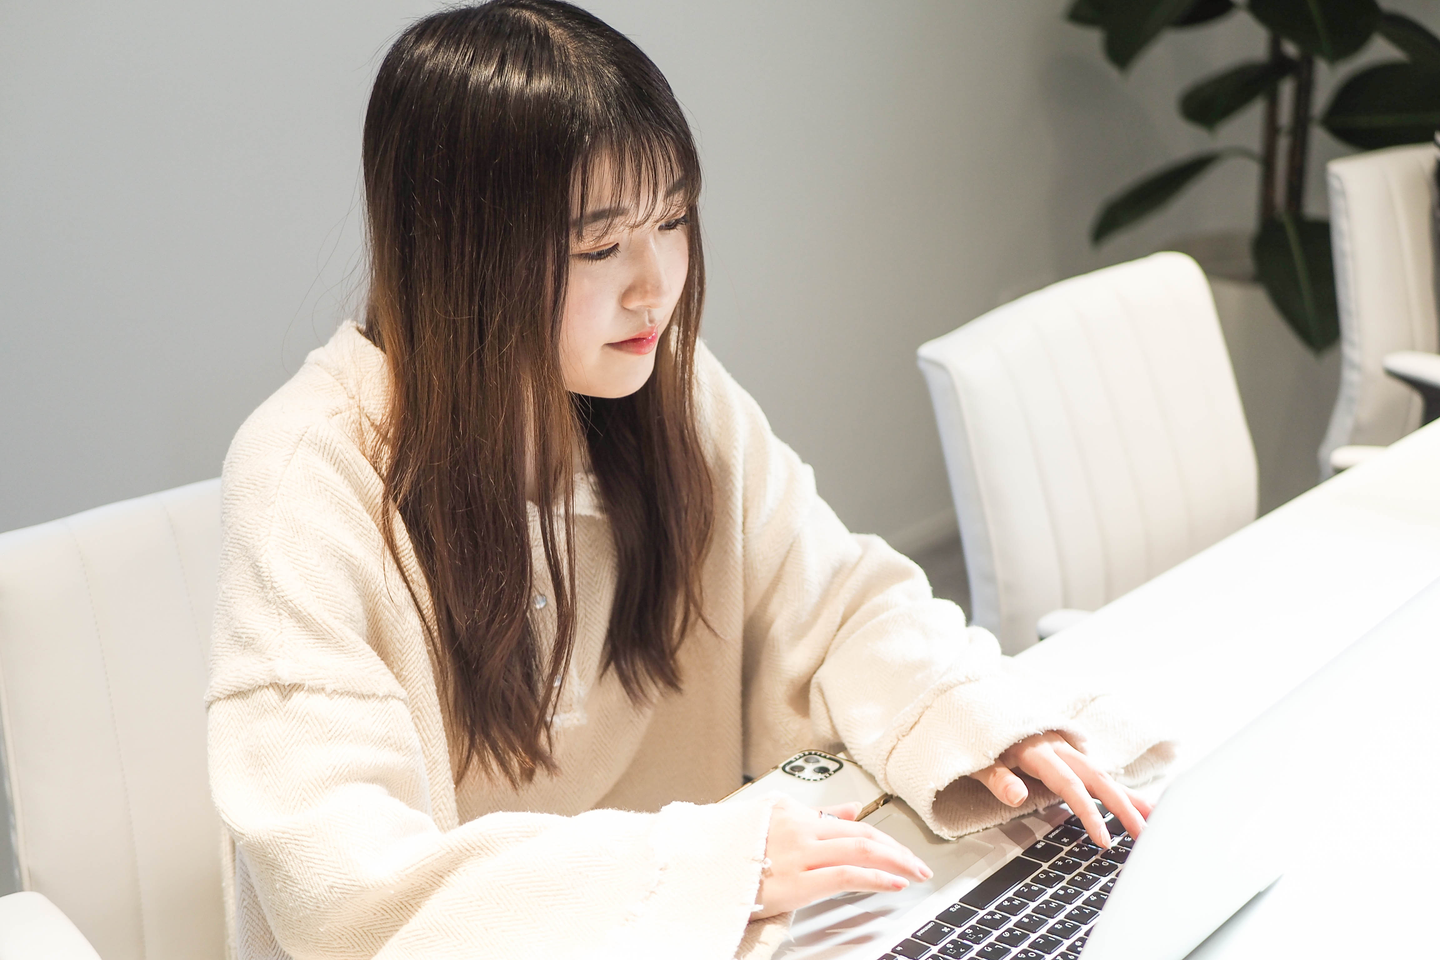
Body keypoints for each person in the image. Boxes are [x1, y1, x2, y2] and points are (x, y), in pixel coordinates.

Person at [205, 3, 1173, 958]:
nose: (655, 285)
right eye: (598, 246)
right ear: (454, 250)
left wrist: (973, 721)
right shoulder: (307, 480)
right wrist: (707, 866)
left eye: (671, 219)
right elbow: (343, 886)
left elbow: (833, 604)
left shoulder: (666, 387)